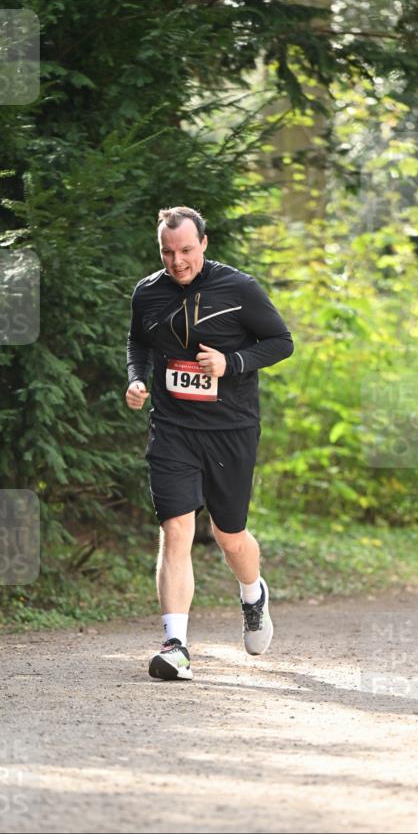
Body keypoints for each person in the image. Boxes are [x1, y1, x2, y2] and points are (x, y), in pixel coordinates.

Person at [125, 206, 293, 681]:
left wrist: (232, 362)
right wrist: (137, 380)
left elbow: (281, 342)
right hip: (173, 427)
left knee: (229, 536)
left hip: (231, 429)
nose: (177, 261)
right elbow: (138, 344)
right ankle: (176, 645)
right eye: (167, 252)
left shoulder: (239, 289)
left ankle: (252, 594)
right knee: (176, 529)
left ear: (204, 244)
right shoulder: (148, 293)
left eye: (186, 250)